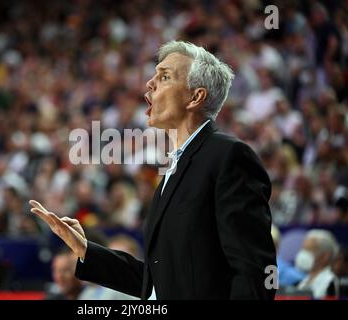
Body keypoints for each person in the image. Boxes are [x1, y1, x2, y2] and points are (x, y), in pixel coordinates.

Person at [30, 40, 277, 299]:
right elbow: (155, 282)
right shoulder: (174, 168)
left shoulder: (228, 156)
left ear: (196, 97)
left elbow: (253, 271)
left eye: (165, 76)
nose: (150, 83)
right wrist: (86, 250)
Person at [295, 229, 339, 299]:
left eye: (309, 250)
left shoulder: (329, 282)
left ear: (325, 256)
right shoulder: (304, 280)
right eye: (303, 249)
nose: (303, 255)